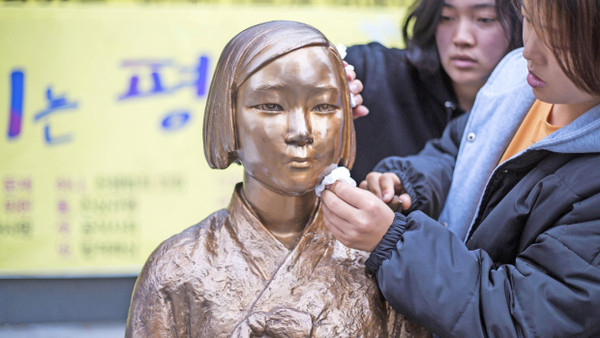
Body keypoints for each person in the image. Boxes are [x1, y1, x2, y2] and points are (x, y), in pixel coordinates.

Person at [125, 20, 428, 337]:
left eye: (323, 106)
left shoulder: (379, 258)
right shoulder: (177, 268)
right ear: (228, 116)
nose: (301, 131)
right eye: (271, 106)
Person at [321, 0, 600, 336]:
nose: (530, 50)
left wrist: (394, 242)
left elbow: (520, 319)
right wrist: (407, 183)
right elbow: (461, 150)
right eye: (529, 20)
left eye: (557, 36)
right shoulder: (516, 81)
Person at [346, 0, 522, 182]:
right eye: (446, 17)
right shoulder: (374, 73)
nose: (461, 38)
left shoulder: (539, 115)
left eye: (485, 19)